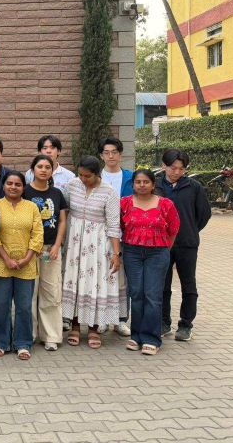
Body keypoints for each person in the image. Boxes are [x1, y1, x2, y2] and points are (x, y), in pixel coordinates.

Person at [62, 156, 126, 349]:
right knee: (74, 281)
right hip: (74, 243)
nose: (83, 179)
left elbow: (114, 224)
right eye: (80, 175)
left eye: (87, 176)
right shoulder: (72, 185)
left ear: (97, 174)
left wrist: (116, 254)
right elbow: (64, 211)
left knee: (95, 284)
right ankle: (74, 327)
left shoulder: (109, 192)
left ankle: (93, 328)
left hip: (98, 246)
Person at [121, 169, 180, 355]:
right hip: (132, 252)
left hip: (157, 253)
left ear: (153, 184)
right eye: (138, 182)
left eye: (146, 182)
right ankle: (136, 336)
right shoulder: (124, 203)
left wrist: (164, 250)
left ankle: (151, 339)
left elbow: (173, 229)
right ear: (133, 184)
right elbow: (119, 228)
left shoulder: (166, 204)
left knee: (153, 296)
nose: (142, 185)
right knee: (136, 294)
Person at [155, 148, 211, 342]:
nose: (177, 172)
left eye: (181, 169)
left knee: (188, 285)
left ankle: (186, 325)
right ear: (164, 165)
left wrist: (190, 230)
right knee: (162, 285)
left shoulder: (194, 187)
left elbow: (204, 215)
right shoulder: (156, 186)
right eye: (173, 168)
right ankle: (164, 323)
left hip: (187, 244)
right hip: (161, 244)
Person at [0, 172, 43, 361]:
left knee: (24, 306)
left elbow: (38, 233)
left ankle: (23, 343)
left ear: (23, 187)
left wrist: (28, 258)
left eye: (17, 184)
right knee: (2, 305)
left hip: (26, 265)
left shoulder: (32, 207)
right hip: (1, 263)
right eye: (9, 183)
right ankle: (2, 342)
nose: (13, 187)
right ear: (4, 185)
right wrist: (6, 258)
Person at [24, 155, 67, 351]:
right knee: (29, 294)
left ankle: (51, 335)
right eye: (40, 166)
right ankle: (29, 334)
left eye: (47, 167)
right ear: (33, 169)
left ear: (52, 171)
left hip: (51, 249)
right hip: (29, 250)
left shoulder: (57, 193)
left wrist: (57, 245)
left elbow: (62, 221)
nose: (43, 170)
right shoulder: (25, 192)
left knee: (51, 292)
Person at [98, 136, 134, 337]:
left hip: (125, 235)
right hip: (100, 235)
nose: (110, 156)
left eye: (114, 152)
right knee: (102, 277)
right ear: (101, 156)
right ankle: (102, 319)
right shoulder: (96, 177)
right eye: (106, 153)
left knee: (122, 280)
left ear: (121, 154)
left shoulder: (130, 177)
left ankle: (121, 320)